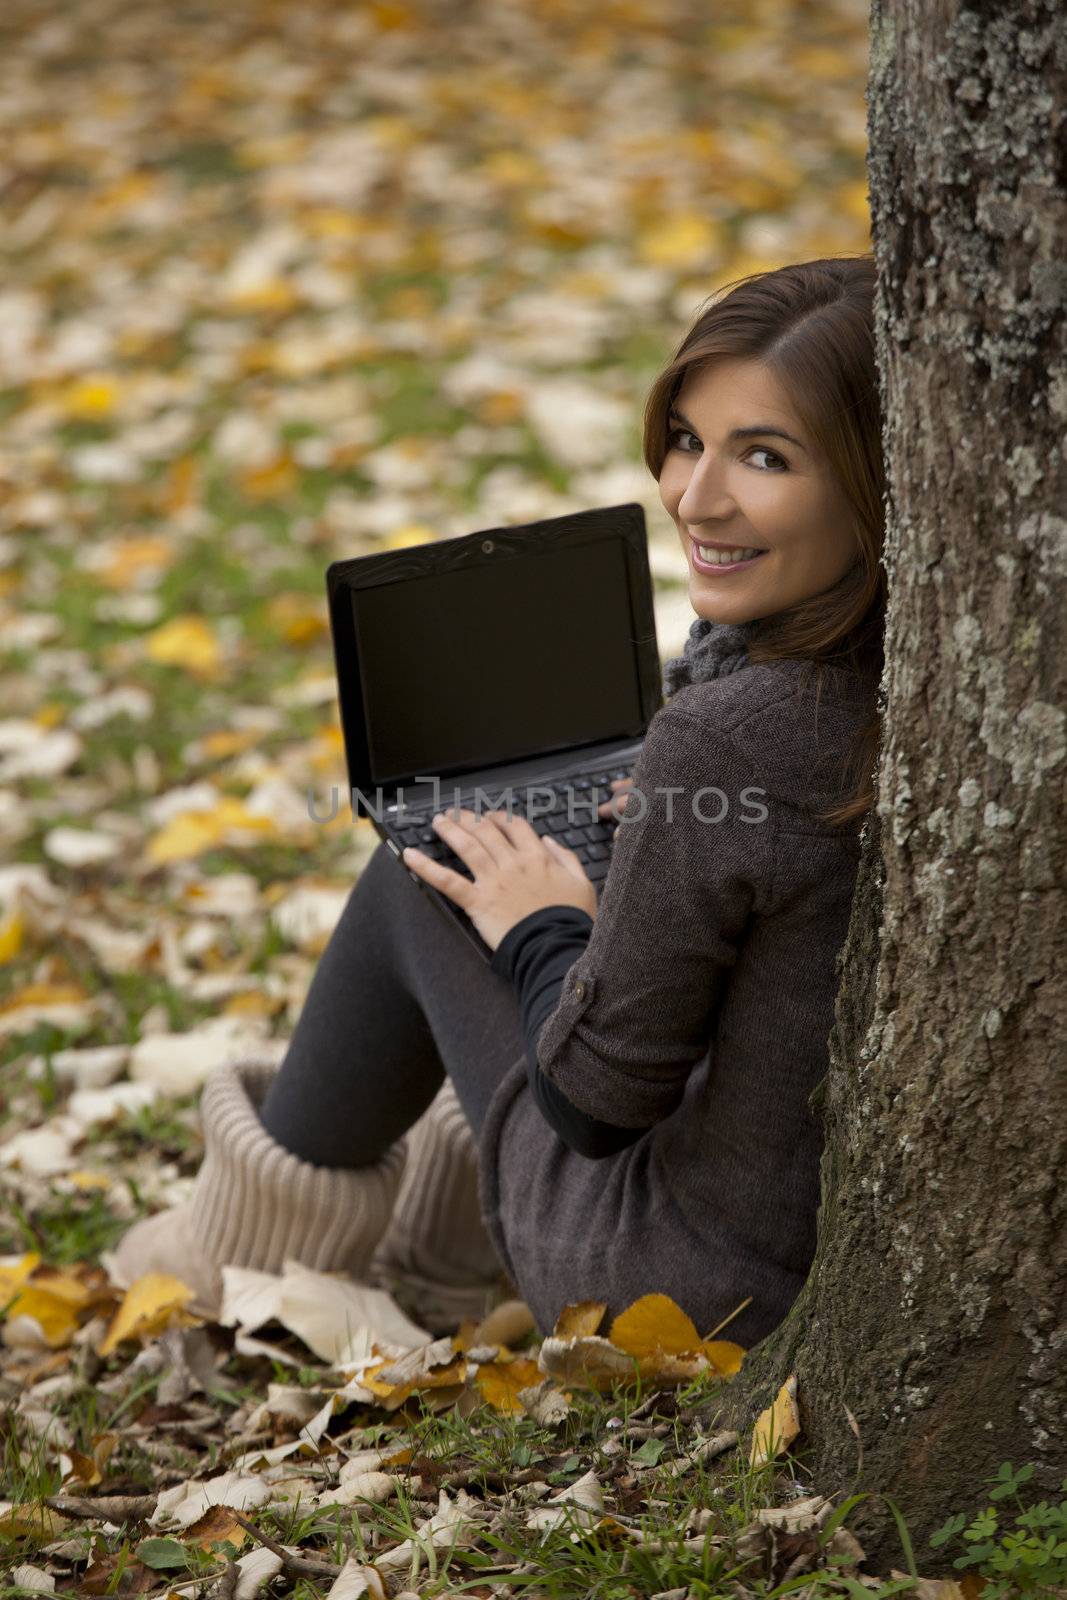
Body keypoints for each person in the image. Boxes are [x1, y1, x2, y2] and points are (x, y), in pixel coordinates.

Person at [110, 255, 886, 1348]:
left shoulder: (725, 736)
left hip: (672, 1282)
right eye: (684, 439)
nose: (693, 497)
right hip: (795, 1233)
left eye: (763, 456)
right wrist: (652, 846)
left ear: (874, 476)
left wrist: (542, 927)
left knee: (426, 872)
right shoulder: (918, 673)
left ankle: (233, 1246)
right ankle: (434, 1243)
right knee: (509, 862)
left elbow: (595, 1100)